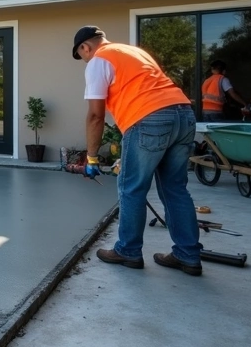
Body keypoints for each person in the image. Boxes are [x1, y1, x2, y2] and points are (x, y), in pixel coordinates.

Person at [72, 26, 203, 276]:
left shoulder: (99, 60)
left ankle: (128, 250)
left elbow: (95, 115)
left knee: (131, 188)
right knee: (175, 189)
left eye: (83, 55)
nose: (85, 60)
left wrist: (91, 157)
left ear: (85, 47)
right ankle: (188, 255)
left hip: (148, 119)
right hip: (183, 114)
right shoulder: (134, 52)